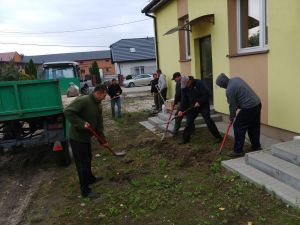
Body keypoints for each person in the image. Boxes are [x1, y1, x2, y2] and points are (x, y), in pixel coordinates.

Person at [64, 84, 108, 198]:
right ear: (98, 93)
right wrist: (81, 123)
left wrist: (102, 140)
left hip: (86, 138)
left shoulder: (98, 105)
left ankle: (90, 179)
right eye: (104, 95)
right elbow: (68, 112)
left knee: (88, 159)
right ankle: (85, 191)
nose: (105, 98)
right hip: (77, 138)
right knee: (82, 164)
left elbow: (99, 124)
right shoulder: (84, 100)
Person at [216, 73, 262, 157]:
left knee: (238, 126)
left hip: (249, 108)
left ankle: (238, 151)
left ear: (223, 84)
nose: (221, 87)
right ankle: (256, 146)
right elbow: (242, 95)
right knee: (253, 126)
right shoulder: (236, 79)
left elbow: (232, 105)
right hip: (257, 103)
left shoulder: (229, 89)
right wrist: (237, 106)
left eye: (220, 86)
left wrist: (231, 117)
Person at [178, 76, 222, 144]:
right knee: (189, 121)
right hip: (193, 106)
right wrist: (181, 110)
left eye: (186, 84)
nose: (185, 86)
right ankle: (185, 139)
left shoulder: (199, 83)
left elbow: (207, 95)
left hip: (203, 105)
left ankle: (218, 137)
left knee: (208, 120)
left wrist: (199, 102)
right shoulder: (184, 88)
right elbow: (184, 100)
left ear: (189, 81)